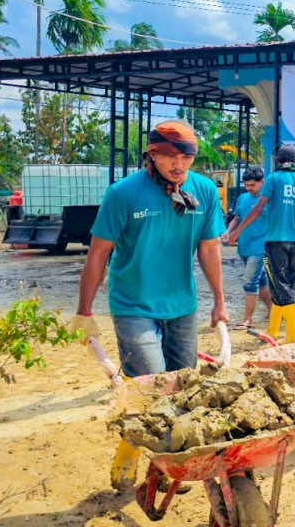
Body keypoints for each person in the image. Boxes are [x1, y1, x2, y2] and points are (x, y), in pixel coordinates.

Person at [72, 118, 227, 491]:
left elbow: (209, 249)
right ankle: (132, 458)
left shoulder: (204, 191)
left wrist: (220, 301)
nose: (179, 164)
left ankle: (166, 465)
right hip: (133, 304)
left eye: (186, 156)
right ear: (152, 154)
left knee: (184, 389)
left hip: (182, 305)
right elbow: (98, 254)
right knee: (154, 387)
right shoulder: (123, 193)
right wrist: (84, 311)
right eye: (169, 156)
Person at [227, 144, 295, 343]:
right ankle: (273, 331)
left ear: (277, 160)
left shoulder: (274, 179)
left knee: (281, 286)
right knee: (283, 285)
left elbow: (259, 208)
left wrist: (237, 232)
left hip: (276, 240)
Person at [221, 167, 269, 329]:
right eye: (247, 185)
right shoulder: (243, 198)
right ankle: (272, 309)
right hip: (244, 246)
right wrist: (228, 232)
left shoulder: (268, 200)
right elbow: (237, 217)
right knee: (260, 280)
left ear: (262, 182)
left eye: (253, 185)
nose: (249, 188)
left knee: (250, 281)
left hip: (260, 246)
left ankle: (248, 319)